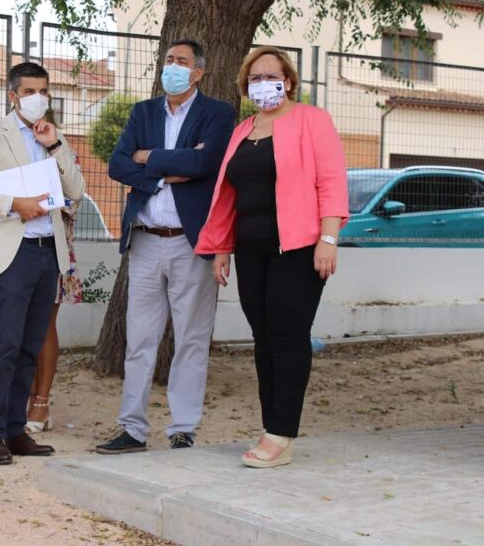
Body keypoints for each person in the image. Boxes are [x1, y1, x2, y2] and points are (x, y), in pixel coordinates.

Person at [196, 46, 349, 468]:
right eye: (255, 77)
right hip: (251, 249)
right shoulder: (243, 130)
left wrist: (328, 239)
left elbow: (331, 182)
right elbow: (229, 194)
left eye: (271, 76)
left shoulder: (312, 121)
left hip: (298, 248)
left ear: (289, 81)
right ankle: (272, 428)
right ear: (246, 86)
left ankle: (281, 433)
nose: (263, 83)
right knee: (263, 337)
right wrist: (222, 247)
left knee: (287, 336)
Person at [96, 39, 235, 455]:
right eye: (169, 59)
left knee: (191, 339)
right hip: (145, 240)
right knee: (139, 339)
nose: (172, 66)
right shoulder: (143, 112)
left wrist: (147, 157)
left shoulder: (218, 113)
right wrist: (164, 172)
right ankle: (132, 429)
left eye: (181, 61)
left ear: (198, 73)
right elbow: (118, 164)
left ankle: (183, 429)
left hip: (191, 243)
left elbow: (204, 164)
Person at [0, 62, 86, 465]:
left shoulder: (54, 136)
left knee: (31, 344)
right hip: (11, 253)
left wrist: (55, 145)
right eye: (29, 91)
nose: (38, 98)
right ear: (13, 95)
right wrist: (14, 204)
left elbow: (76, 190)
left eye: (43, 90)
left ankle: (16, 430)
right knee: (6, 344)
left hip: (49, 250)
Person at [25, 199, 83, 434]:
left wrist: (32, 202)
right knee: (24, 328)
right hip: (20, 248)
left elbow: (71, 202)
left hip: (54, 251)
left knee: (45, 326)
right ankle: (28, 399)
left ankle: (41, 403)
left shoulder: (64, 171)